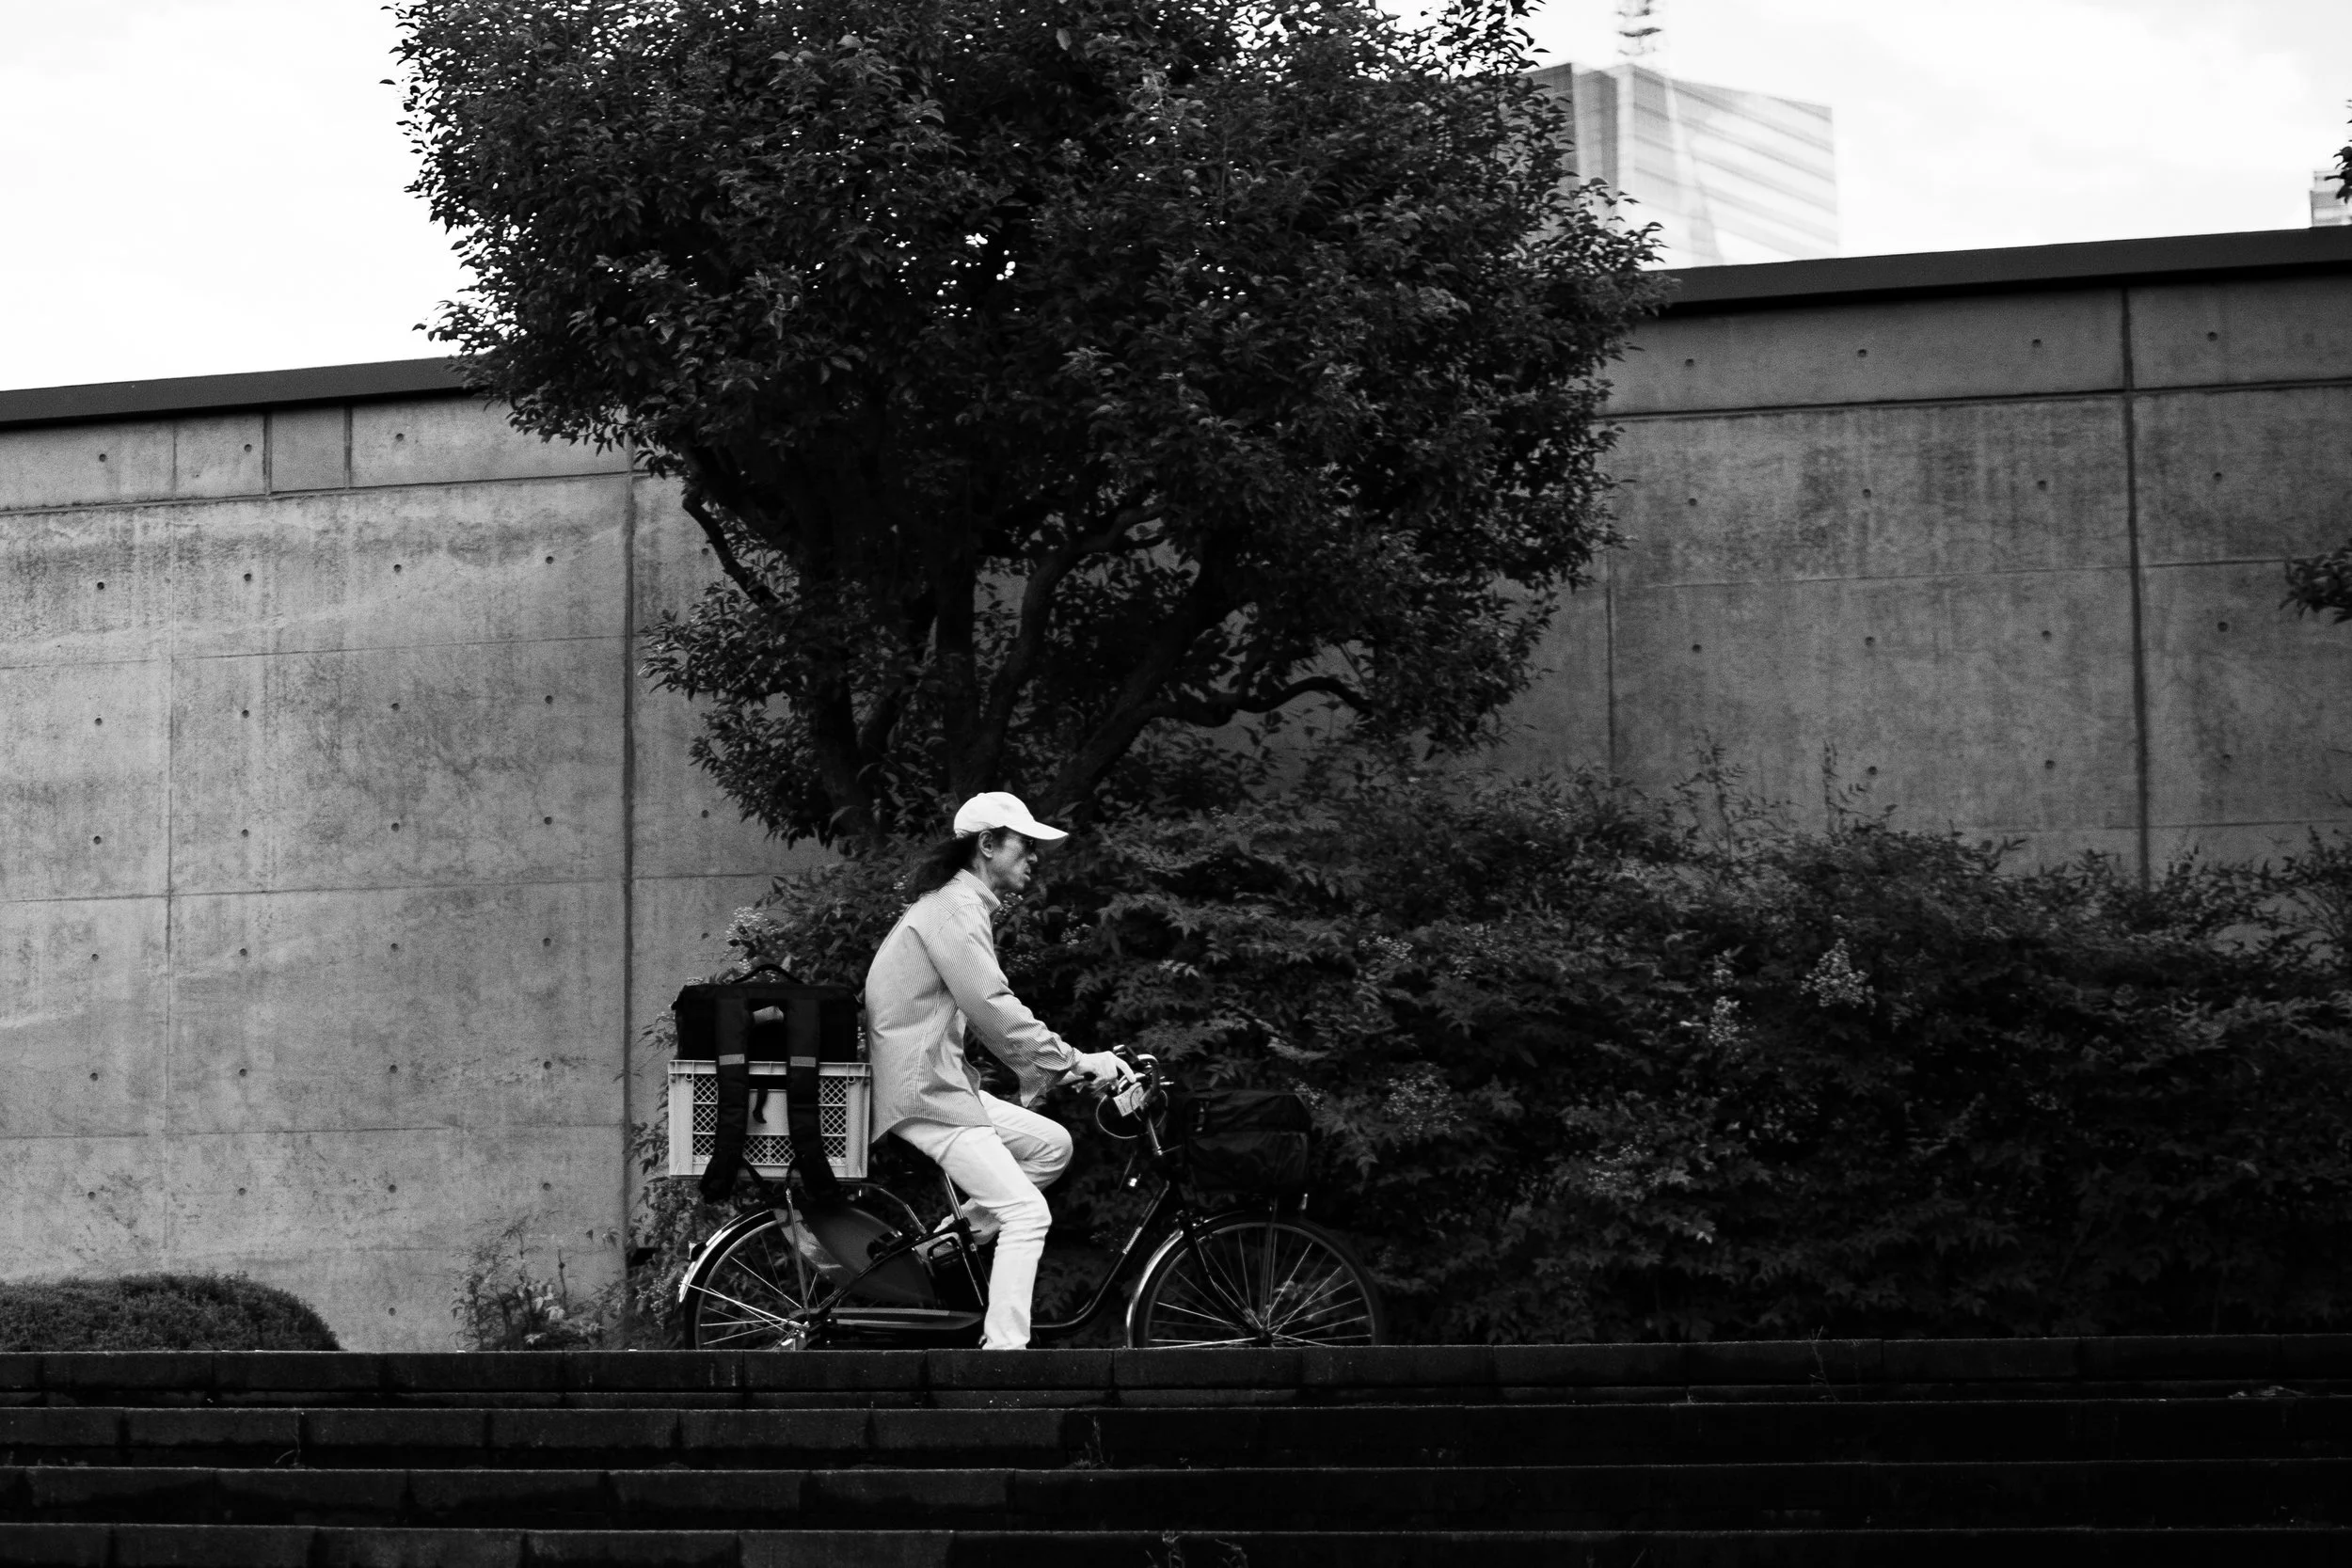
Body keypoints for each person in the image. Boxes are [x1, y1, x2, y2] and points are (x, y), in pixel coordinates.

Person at [863, 791, 1130, 1349]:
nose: (1034, 858)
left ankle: (942, 1252)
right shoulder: (953, 910)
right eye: (1025, 845)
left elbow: (986, 1007)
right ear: (987, 845)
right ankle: (1004, 1354)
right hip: (926, 1091)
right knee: (1027, 1215)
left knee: (1050, 1146)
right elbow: (991, 1005)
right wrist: (1075, 1061)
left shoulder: (956, 905)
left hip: (940, 1082)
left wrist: (1067, 1065)